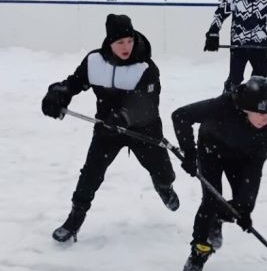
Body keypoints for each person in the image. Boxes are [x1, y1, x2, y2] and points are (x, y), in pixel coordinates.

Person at [41, 14, 179, 242]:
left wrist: (125, 116)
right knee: (91, 173)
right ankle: (75, 217)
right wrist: (59, 93)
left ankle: (164, 186)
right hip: (107, 128)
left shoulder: (146, 66)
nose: (126, 47)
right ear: (109, 42)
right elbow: (75, 82)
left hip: (143, 129)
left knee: (163, 171)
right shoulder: (94, 61)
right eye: (119, 43)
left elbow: (147, 104)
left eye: (129, 41)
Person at [172, 76, 267, 271]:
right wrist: (190, 154)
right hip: (211, 151)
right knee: (211, 201)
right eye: (260, 113)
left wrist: (245, 209)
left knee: (244, 204)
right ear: (247, 108)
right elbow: (180, 116)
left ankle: (220, 217)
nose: (265, 119)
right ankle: (197, 257)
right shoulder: (223, 105)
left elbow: (256, 164)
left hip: (243, 159)